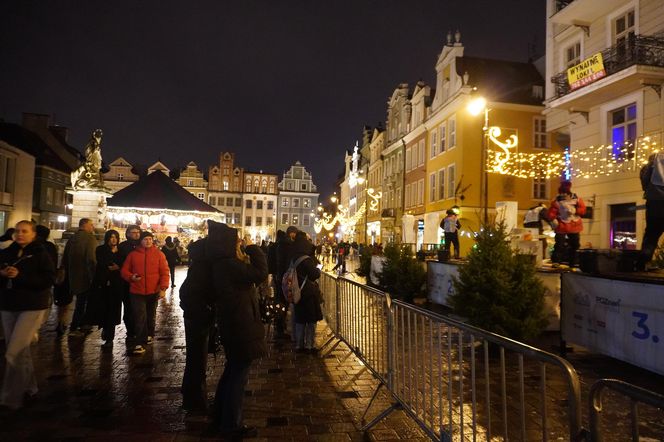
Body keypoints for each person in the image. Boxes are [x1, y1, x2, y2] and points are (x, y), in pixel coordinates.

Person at [206, 221, 267, 438]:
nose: (240, 243)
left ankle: (221, 418)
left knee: (232, 371)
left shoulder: (222, 264)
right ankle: (231, 425)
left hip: (234, 322)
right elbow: (260, 272)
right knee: (238, 376)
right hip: (239, 324)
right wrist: (253, 247)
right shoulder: (229, 264)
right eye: (237, 241)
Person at [0, 220, 56, 409]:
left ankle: (10, 396)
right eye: (17, 231)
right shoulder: (7, 252)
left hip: (32, 306)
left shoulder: (40, 253)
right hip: (8, 304)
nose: (20, 234)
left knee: (13, 352)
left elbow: (48, 279)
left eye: (25, 231)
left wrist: (20, 276)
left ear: (33, 234)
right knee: (19, 350)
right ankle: (30, 387)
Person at [179, 231, 216, 413]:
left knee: (195, 359)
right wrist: (205, 308)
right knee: (197, 359)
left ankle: (191, 394)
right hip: (197, 317)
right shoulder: (202, 268)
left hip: (194, 315)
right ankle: (195, 400)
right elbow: (186, 293)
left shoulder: (198, 266)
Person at [121, 231, 170, 355]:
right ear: (141, 241)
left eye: (149, 239)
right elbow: (124, 271)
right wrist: (131, 277)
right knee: (139, 316)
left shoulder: (159, 254)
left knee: (150, 315)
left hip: (153, 291)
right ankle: (140, 343)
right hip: (137, 291)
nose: (148, 241)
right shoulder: (133, 255)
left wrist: (163, 288)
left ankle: (149, 334)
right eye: (145, 239)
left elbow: (164, 272)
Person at [63, 218, 98, 336]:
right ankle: (75, 327)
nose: (93, 227)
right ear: (85, 225)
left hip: (73, 276)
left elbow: (65, 257)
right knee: (82, 304)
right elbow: (92, 259)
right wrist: (94, 275)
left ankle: (80, 325)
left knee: (80, 302)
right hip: (85, 277)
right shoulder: (90, 238)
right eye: (91, 225)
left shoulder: (72, 238)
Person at [291, 231, 322, 353]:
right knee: (310, 319)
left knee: (300, 319)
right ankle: (310, 345)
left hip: (297, 291)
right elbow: (314, 274)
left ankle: (299, 344)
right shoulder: (306, 259)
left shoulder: (294, 257)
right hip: (308, 292)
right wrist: (318, 269)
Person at [91, 230, 124, 348]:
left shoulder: (121, 250)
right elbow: (103, 262)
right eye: (111, 237)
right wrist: (112, 255)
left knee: (113, 310)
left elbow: (123, 264)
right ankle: (104, 328)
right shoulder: (101, 249)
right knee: (103, 308)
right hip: (103, 284)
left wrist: (118, 266)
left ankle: (110, 336)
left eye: (116, 237)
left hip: (116, 285)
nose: (113, 239)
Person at [548, 181, 586, 267]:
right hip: (562, 224)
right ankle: (556, 261)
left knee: (575, 244)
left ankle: (573, 261)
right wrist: (553, 219)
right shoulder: (557, 200)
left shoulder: (576, 199)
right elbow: (552, 212)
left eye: (565, 193)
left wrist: (575, 211)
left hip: (574, 224)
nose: (564, 195)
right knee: (559, 244)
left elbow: (583, 209)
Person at [639, 151, 664, 270]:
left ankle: (644, 263)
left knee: (651, 235)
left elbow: (644, 185)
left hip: (654, 203)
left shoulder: (648, 166)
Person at [118, 225, 141, 340]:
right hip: (126, 282)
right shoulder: (122, 247)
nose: (136, 234)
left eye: (138, 232)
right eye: (133, 232)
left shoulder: (142, 246)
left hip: (140, 282)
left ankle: (139, 330)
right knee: (128, 307)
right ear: (127, 234)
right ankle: (130, 331)